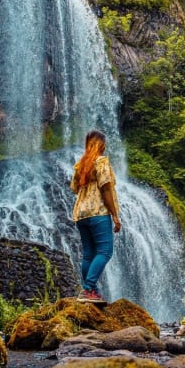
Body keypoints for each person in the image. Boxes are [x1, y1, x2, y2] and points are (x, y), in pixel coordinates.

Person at [70, 130, 121, 303]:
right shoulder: (101, 162)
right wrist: (114, 215)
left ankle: (91, 292)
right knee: (105, 252)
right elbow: (106, 189)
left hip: (81, 214)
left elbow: (74, 189)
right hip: (98, 212)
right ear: (101, 144)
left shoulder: (80, 165)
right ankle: (87, 289)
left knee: (88, 254)